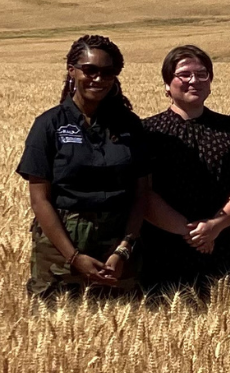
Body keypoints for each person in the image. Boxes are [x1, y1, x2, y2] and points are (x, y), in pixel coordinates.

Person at [19, 35, 150, 297]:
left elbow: (142, 193)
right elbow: (39, 199)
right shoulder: (49, 124)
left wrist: (123, 250)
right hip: (59, 245)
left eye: (107, 72)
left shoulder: (130, 126)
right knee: (51, 327)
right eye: (89, 70)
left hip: (118, 245)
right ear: (72, 70)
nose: (98, 79)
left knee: (121, 325)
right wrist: (73, 257)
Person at [137, 45, 230, 298]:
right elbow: (143, 192)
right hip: (163, 249)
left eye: (202, 74)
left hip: (225, 244)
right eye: (184, 74)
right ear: (167, 84)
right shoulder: (146, 132)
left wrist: (215, 226)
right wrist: (192, 233)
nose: (194, 81)